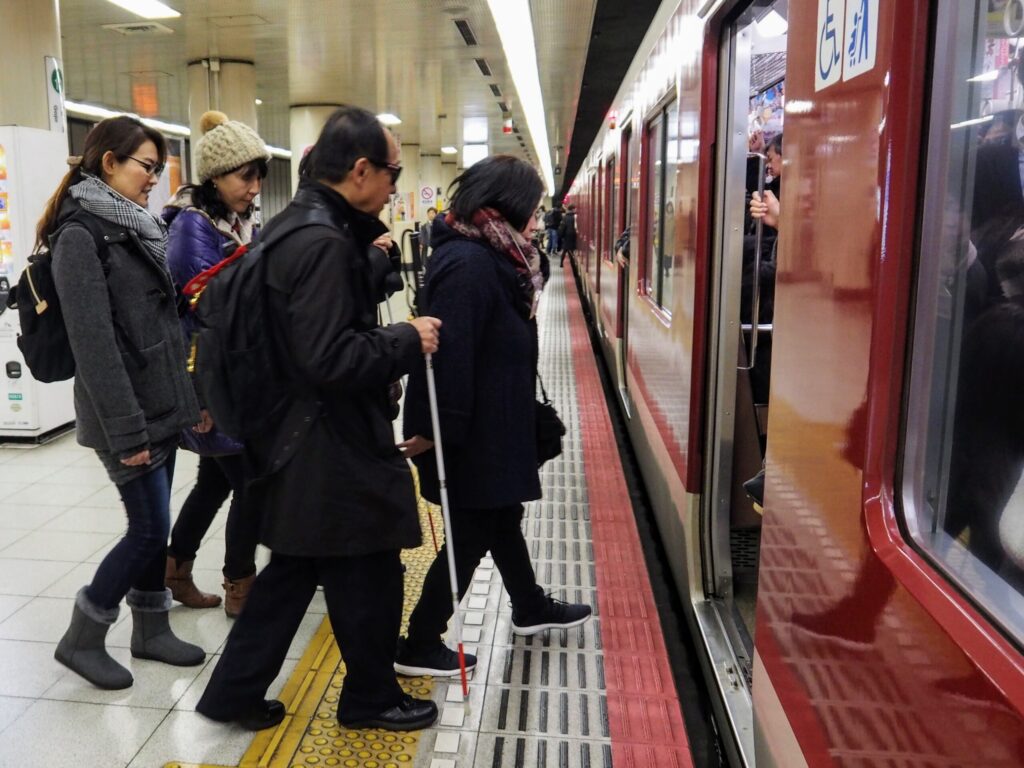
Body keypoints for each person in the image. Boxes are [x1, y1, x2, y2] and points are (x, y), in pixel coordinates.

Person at [196, 106, 442, 732]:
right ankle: (369, 698)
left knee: (299, 570)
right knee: (372, 569)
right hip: (325, 439)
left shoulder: (295, 226)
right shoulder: (322, 242)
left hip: (292, 436)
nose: (393, 183)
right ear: (359, 170)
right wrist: (406, 340)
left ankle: (234, 695)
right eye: (391, 171)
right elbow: (327, 357)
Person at [395, 155, 592, 678]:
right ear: (506, 204)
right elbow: (447, 359)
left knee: (500, 517)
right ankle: (419, 641)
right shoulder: (469, 264)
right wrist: (438, 432)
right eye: (531, 207)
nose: (536, 217)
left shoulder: (494, 256)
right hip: (471, 430)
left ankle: (528, 606)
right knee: (472, 531)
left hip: (493, 421)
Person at [46, 116, 206, 690]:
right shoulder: (79, 237)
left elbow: (157, 324)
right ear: (108, 162)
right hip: (125, 415)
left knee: (154, 528)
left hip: (159, 401)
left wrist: (189, 400)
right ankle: (82, 637)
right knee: (145, 529)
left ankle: (152, 630)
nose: (153, 181)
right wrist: (128, 432)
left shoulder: (134, 228)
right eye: (146, 167)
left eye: (159, 170)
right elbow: (95, 349)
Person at [162, 110, 271, 616]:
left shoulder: (230, 222)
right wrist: (200, 399)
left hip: (231, 376)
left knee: (213, 482)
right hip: (211, 381)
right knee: (249, 483)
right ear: (214, 177)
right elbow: (204, 311)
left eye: (257, 176)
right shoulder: (193, 227)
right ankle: (240, 586)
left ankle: (176, 569)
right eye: (244, 176)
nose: (254, 187)